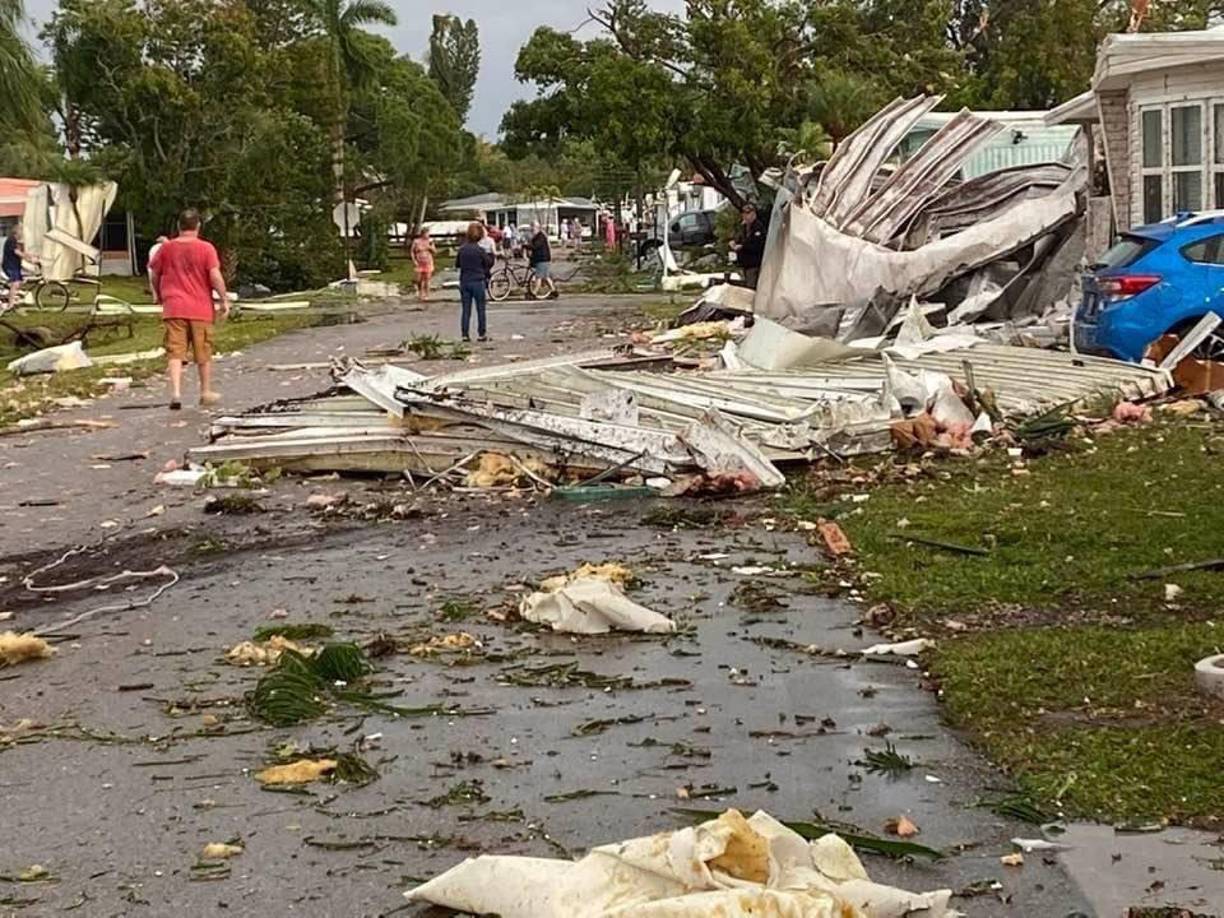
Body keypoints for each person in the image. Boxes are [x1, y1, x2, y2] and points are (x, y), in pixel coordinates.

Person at [149, 209, 230, 411]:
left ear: (179, 226)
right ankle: (205, 391)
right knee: (203, 350)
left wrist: (158, 294)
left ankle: (176, 393)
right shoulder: (206, 248)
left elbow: (154, 273)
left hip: (174, 306)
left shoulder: (166, 249)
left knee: (175, 351)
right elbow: (214, 275)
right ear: (198, 226)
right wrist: (223, 298)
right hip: (200, 307)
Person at [456, 222, 494, 342]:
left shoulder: (462, 250)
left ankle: (465, 334)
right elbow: (488, 263)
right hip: (478, 280)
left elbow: (457, 264)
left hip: (465, 281)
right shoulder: (480, 250)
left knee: (466, 309)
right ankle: (481, 333)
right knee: (480, 309)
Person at [731, 202, 767, 289]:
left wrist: (743, 246)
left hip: (754, 263)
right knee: (745, 285)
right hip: (744, 263)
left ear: (754, 214)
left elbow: (757, 244)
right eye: (744, 214)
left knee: (751, 287)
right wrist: (734, 243)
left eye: (748, 214)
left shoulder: (758, 227)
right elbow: (738, 238)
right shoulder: (743, 227)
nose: (746, 216)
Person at [3, 226, 37, 314]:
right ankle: (10, 305)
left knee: (20, 282)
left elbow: (23, 252)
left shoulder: (17, 242)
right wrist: (28, 259)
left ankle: (9, 295)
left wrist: (33, 257)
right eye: (21, 232)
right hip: (10, 265)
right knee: (15, 283)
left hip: (16, 265)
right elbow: (17, 252)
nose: (22, 234)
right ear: (16, 233)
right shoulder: (11, 240)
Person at [527, 222, 557, 300]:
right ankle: (554, 291)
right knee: (546, 277)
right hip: (541, 259)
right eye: (531, 228)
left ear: (538, 228)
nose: (532, 230)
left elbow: (535, 246)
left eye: (533, 228)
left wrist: (525, 246)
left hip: (542, 259)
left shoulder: (541, 236)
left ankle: (534, 293)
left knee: (538, 277)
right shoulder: (536, 237)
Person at [410, 227, 437, 302]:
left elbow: (435, 251)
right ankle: (420, 292)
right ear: (423, 234)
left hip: (428, 261)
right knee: (419, 279)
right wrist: (414, 260)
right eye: (426, 233)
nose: (427, 235)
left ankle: (426, 294)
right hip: (419, 262)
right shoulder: (416, 241)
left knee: (427, 279)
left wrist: (430, 247)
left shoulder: (430, 242)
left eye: (428, 234)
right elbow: (412, 251)